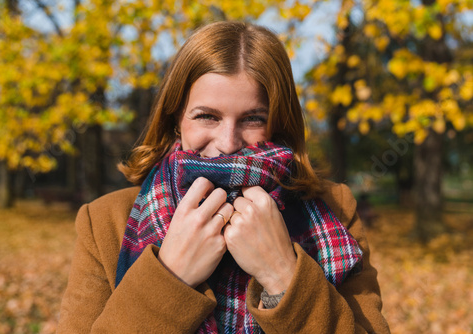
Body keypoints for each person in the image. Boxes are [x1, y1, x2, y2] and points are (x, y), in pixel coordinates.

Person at [57, 21, 390, 333]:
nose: (228, 143)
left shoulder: (334, 208)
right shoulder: (104, 223)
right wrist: (171, 278)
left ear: (278, 123)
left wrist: (283, 276)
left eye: (252, 119)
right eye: (206, 116)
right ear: (176, 119)